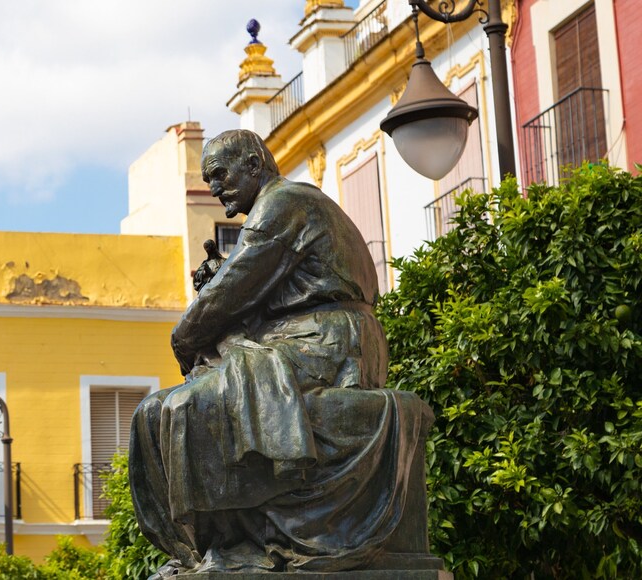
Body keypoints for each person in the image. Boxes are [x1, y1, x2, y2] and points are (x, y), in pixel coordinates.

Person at [129, 130, 433, 576]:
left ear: (254, 164)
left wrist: (184, 338)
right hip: (296, 339)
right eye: (207, 180)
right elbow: (248, 285)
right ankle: (210, 549)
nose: (214, 188)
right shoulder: (283, 206)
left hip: (328, 343)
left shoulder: (283, 203)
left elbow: (234, 291)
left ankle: (239, 545)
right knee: (154, 412)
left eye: (219, 175)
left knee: (187, 406)